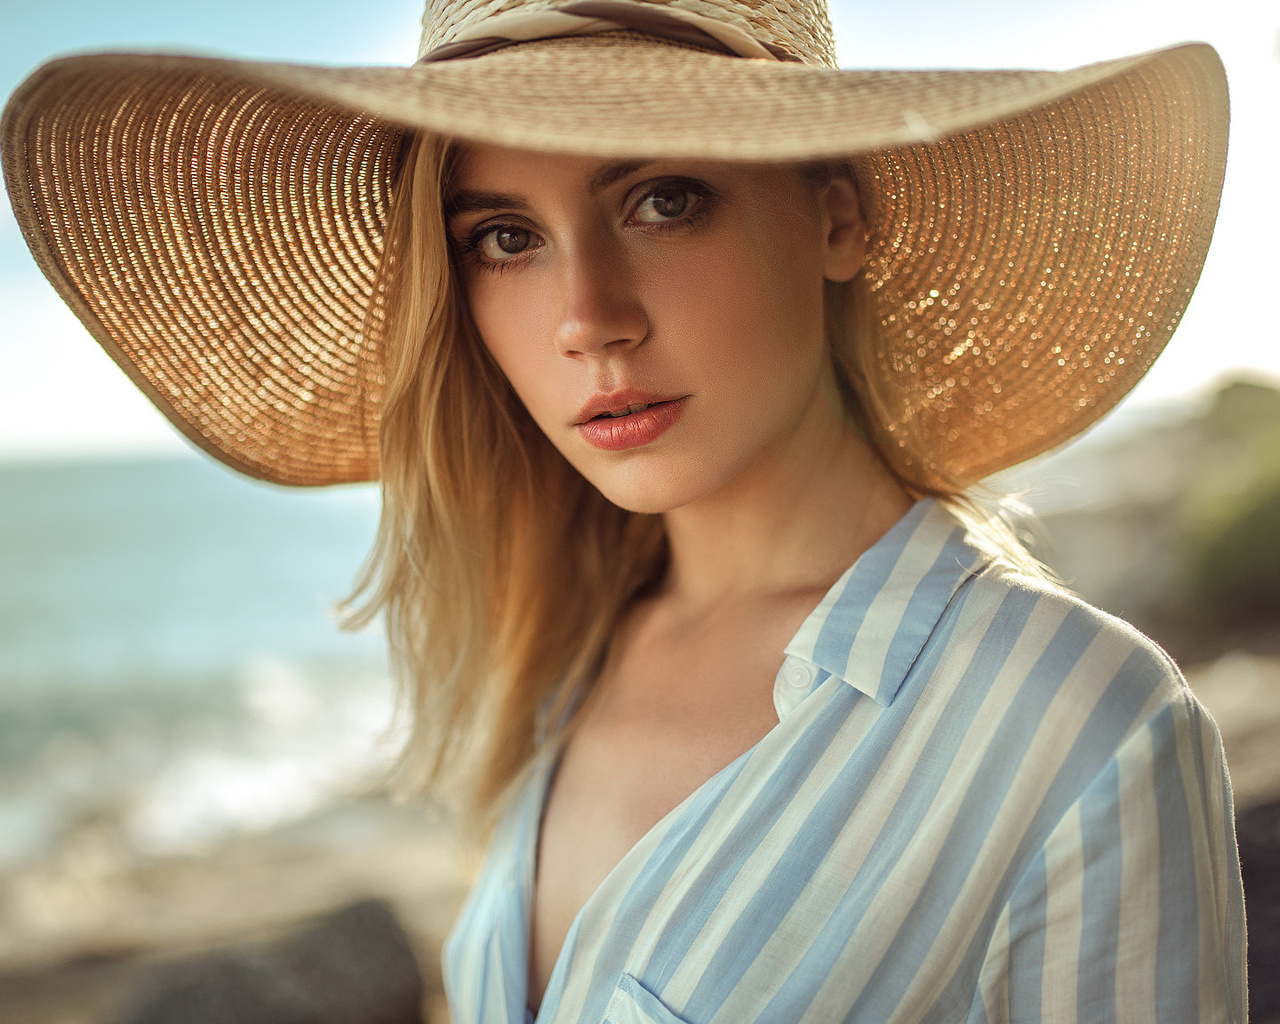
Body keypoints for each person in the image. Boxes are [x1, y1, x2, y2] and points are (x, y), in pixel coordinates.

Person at [2, 1, 1247, 1021]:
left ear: (834, 211)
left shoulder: (1082, 726)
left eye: (661, 200)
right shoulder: (566, 658)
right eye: (503, 237)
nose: (585, 317)